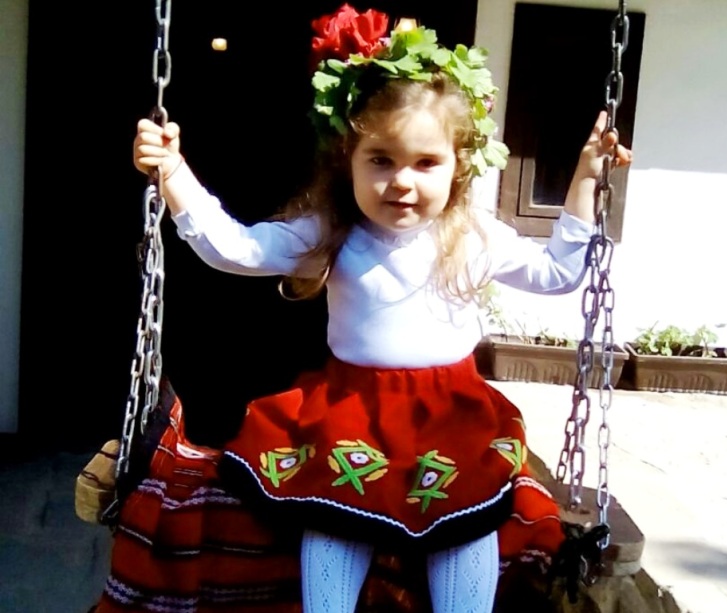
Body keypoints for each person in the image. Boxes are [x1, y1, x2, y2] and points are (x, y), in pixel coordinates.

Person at [130, 5, 631, 613]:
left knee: (465, 525)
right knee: (336, 524)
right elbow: (235, 248)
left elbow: (558, 273)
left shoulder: (474, 236)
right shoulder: (333, 232)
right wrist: (173, 173)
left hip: (452, 418)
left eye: (426, 162)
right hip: (352, 415)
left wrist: (585, 178)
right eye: (381, 160)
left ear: (459, 166)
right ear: (348, 159)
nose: (401, 181)